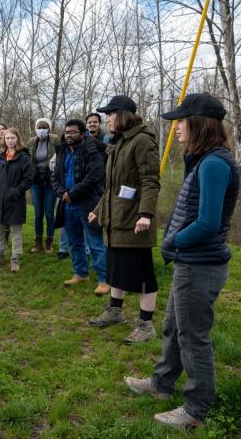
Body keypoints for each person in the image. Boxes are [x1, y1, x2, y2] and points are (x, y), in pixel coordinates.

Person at [125, 93, 238, 429]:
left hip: (201, 266)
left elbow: (208, 222)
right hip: (190, 263)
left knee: (193, 337)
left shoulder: (216, 164)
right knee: (174, 327)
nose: (176, 128)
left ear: (199, 124)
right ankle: (161, 384)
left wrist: (174, 241)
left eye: (181, 121)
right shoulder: (204, 160)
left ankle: (195, 410)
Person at [88, 95, 161, 342]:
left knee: (142, 275)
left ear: (123, 115)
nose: (107, 119)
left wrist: (146, 214)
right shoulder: (119, 143)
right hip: (115, 219)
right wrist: (98, 209)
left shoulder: (142, 141)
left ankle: (146, 324)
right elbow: (112, 187)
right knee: (116, 269)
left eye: (110, 114)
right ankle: (115, 312)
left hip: (134, 220)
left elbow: (150, 180)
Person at [51, 119, 108, 294]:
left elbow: (94, 177)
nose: (69, 135)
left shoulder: (92, 151)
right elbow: (54, 177)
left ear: (82, 134)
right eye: (67, 132)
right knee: (74, 242)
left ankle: (104, 280)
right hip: (67, 204)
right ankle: (81, 273)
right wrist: (62, 193)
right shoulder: (62, 151)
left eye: (73, 132)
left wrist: (72, 193)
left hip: (88, 203)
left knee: (95, 242)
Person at [0, 128, 34, 272]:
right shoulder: (0, 156)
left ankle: (15, 258)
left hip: (15, 199)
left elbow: (28, 178)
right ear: (3, 140)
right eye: (7, 138)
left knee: (15, 230)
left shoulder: (24, 158)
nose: (10, 141)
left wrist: (16, 192)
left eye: (12, 138)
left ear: (17, 139)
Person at [28, 117, 56, 254]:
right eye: (39, 127)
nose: (42, 130)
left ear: (49, 128)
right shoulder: (32, 143)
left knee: (49, 213)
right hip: (36, 182)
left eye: (44, 127)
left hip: (50, 182)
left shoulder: (54, 141)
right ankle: (38, 241)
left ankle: (49, 241)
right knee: (38, 213)